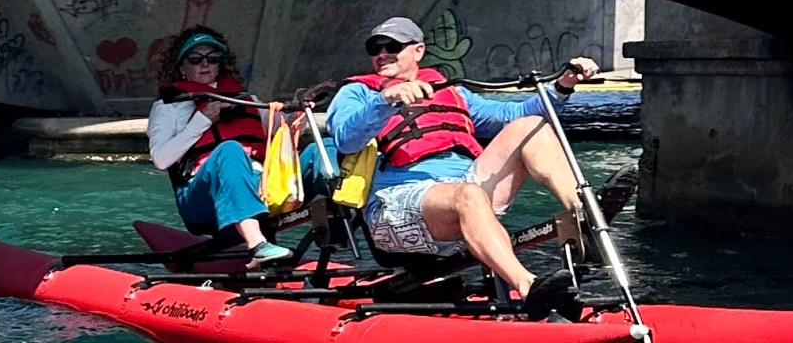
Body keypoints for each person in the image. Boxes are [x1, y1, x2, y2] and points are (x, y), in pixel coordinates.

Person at [328, 16, 599, 320]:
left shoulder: (452, 92)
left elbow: (516, 111)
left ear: (418, 51)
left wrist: (563, 87)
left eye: (392, 46)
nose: (381, 53)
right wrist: (382, 101)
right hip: (395, 204)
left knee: (531, 126)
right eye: (374, 48)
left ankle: (582, 215)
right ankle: (529, 288)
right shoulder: (359, 93)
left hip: (466, 192)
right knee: (467, 195)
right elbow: (345, 139)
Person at [147, 27, 292, 267]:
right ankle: (256, 243)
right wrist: (203, 120)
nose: (205, 64)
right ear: (182, 67)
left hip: (262, 185)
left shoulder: (246, 99)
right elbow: (161, 159)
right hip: (201, 195)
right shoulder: (168, 108)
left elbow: (284, 129)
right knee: (230, 150)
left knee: (320, 152)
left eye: (212, 58)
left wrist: (302, 109)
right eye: (196, 59)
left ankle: (353, 232)